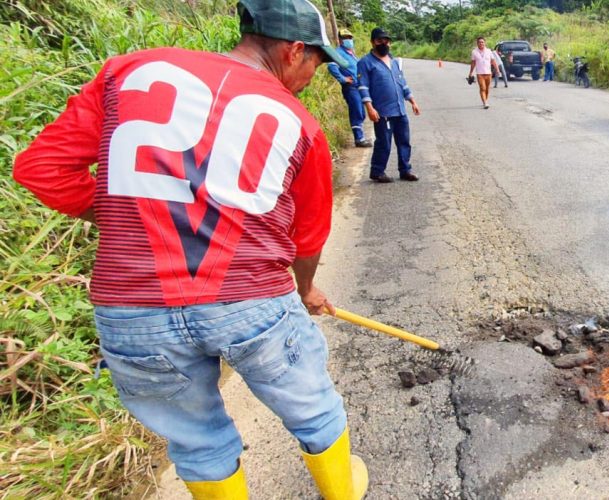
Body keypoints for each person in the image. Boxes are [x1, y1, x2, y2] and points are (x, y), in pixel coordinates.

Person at [11, 0, 369, 498]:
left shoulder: (130, 72)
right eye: (317, 62)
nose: (315, 74)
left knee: (197, 440)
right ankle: (343, 490)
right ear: (293, 51)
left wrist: (124, 214)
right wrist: (304, 289)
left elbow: (39, 169)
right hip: (250, 300)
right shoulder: (297, 121)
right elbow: (307, 238)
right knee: (313, 404)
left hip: (134, 307)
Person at [358, 28, 422, 183]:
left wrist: (412, 101)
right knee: (384, 143)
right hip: (382, 111)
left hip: (400, 110)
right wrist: (370, 108)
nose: (383, 43)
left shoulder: (394, 61)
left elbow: (402, 83)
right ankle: (377, 171)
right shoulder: (365, 63)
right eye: (379, 40)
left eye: (386, 40)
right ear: (373, 42)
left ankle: (405, 170)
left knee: (404, 141)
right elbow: (363, 86)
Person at [328, 27, 372, 147]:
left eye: (350, 38)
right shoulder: (338, 53)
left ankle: (360, 136)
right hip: (350, 86)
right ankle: (359, 139)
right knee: (356, 110)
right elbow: (331, 66)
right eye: (346, 38)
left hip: (358, 86)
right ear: (340, 40)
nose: (348, 40)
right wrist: (343, 79)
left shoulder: (351, 53)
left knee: (361, 112)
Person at [468, 37, 497, 109]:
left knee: (487, 89)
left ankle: (485, 100)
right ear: (477, 43)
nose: (481, 43)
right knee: (482, 88)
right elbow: (473, 63)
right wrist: (470, 72)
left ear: (485, 43)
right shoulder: (474, 52)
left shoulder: (489, 51)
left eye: (482, 42)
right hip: (480, 74)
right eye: (479, 42)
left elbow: (493, 61)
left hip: (488, 73)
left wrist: (497, 69)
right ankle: (485, 103)